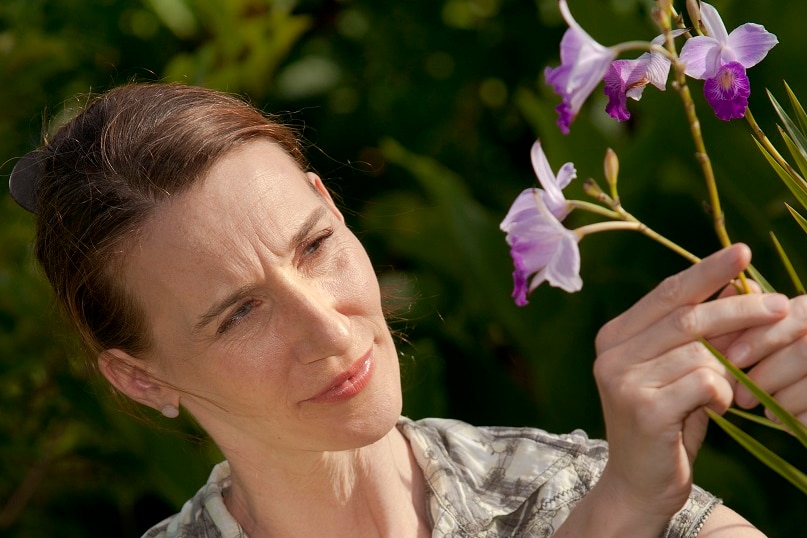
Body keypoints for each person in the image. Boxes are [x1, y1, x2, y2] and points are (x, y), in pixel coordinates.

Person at [8, 82, 807, 537]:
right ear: (140, 378)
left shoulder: (557, 486)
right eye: (237, 314)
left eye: (315, 245)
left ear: (332, 205)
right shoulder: (615, 500)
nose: (329, 326)